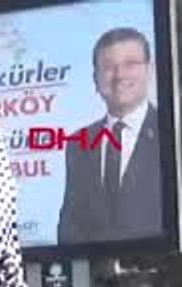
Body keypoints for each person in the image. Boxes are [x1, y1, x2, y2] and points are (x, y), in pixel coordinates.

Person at [58, 27, 163, 245]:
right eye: (108, 67)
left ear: (150, 70)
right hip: (96, 275)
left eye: (130, 64)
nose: (119, 75)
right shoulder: (78, 143)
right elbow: (69, 228)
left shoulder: (168, 130)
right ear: (95, 79)